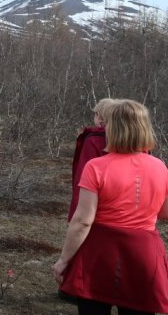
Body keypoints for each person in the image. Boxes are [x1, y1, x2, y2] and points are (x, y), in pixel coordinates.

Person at [53, 99, 168, 315]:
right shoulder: (160, 167)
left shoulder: (96, 166)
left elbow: (83, 221)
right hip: (143, 252)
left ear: (113, 128)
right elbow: (164, 212)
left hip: (99, 252)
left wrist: (63, 261)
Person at [68, 98, 114, 221]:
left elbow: (83, 176)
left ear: (98, 116)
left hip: (94, 206)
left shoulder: (93, 141)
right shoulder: (131, 140)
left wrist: (77, 213)